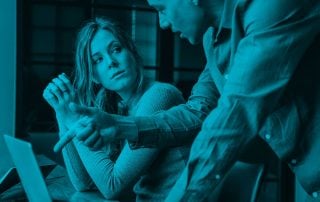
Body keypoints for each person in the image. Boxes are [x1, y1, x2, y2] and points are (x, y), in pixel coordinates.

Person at [54, 0, 320, 201]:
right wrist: (121, 125)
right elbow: (198, 111)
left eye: (163, 8)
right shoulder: (213, 40)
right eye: (97, 60)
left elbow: (232, 119)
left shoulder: (271, 9)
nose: (162, 23)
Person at [43, 17, 189, 201]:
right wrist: (62, 112)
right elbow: (83, 183)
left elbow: (112, 187)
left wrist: (74, 121)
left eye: (116, 49)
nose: (111, 62)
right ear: (94, 77)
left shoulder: (160, 95)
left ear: (133, 53)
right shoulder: (120, 108)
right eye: (98, 60)